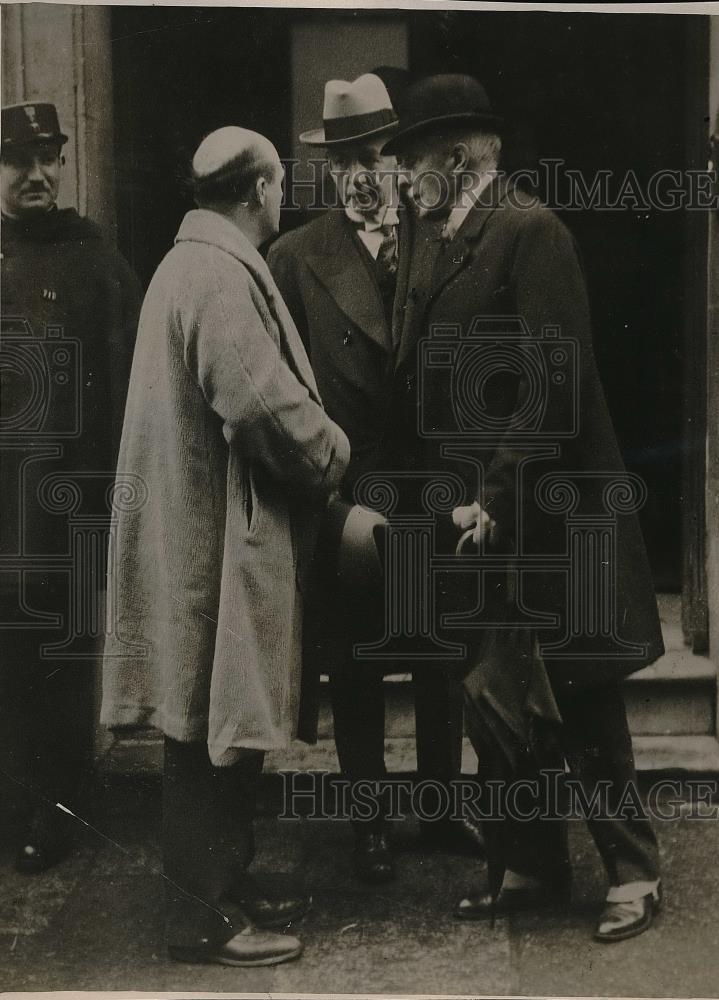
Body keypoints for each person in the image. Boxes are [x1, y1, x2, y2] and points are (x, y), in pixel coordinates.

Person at [381, 74, 665, 942]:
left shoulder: (532, 230)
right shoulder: (436, 242)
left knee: (578, 696)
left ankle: (635, 871)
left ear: (456, 158)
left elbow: (553, 378)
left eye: (414, 163)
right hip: (474, 516)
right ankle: (533, 864)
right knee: (496, 699)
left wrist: (495, 498)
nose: (401, 179)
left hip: (544, 510)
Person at [101, 127, 350, 967]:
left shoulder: (191, 263)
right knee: (204, 720)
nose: (284, 197)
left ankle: (224, 885)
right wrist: (331, 451)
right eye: (280, 183)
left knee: (212, 717)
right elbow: (257, 403)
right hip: (211, 540)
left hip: (201, 528)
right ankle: (200, 917)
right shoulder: (215, 275)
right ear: (258, 192)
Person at [268, 72, 481, 887]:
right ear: (325, 168)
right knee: (356, 661)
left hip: (431, 484)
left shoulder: (442, 240)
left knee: (439, 653)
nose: (363, 172)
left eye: (377, 155)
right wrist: (328, 502)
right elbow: (283, 393)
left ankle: (440, 801)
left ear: (401, 163)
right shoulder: (293, 258)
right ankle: (367, 821)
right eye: (345, 156)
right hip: (352, 493)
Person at [0, 101, 141, 873]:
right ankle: (12, 801)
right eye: (19, 161)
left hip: (66, 500)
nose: (38, 174)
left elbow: (131, 384)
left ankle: (54, 808)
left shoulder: (95, 260)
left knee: (61, 656)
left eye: (49, 158)